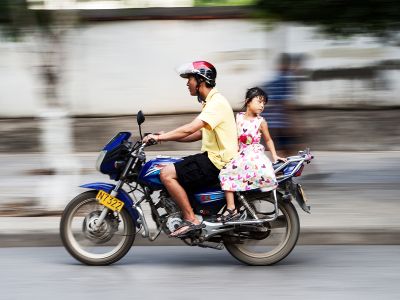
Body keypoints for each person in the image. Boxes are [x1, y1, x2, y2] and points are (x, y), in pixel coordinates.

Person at [143, 61, 238, 237]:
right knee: (179, 165)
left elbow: (189, 129)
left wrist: (159, 137)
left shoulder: (216, 103)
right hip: (214, 158)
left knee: (166, 174)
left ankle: (191, 219)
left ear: (201, 80)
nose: (187, 83)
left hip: (217, 161)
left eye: (190, 79)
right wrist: (166, 136)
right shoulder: (212, 102)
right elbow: (198, 134)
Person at [218, 87, 286, 222]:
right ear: (248, 101)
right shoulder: (237, 118)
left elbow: (268, 139)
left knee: (225, 174)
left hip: (253, 154)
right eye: (259, 101)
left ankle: (231, 208)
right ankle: (239, 204)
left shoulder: (261, 122)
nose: (262, 105)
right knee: (227, 172)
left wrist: (274, 155)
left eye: (264, 103)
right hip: (239, 153)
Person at [261, 53, 296, 157]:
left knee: (282, 150)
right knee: (283, 151)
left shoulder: (271, 80)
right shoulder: (283, 80)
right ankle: (280, 170)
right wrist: (294, 123)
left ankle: (280, 169)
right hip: (280, 123)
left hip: (272, 122)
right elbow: (286, 103)